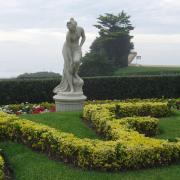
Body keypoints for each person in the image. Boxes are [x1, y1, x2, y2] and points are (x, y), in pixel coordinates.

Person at [53, 18, 86, 93]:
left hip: (76, 48)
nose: (71, 30)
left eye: (72, 28)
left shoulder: (80, 29)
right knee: (68, 67)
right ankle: (71, 88)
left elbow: (84, 37)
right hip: (67, 49)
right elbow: (68, 48)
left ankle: (75, 73)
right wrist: (70, 59)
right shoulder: (68, 34)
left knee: (77, 61)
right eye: (69, 29)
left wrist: (80, 46)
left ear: (75, 26)